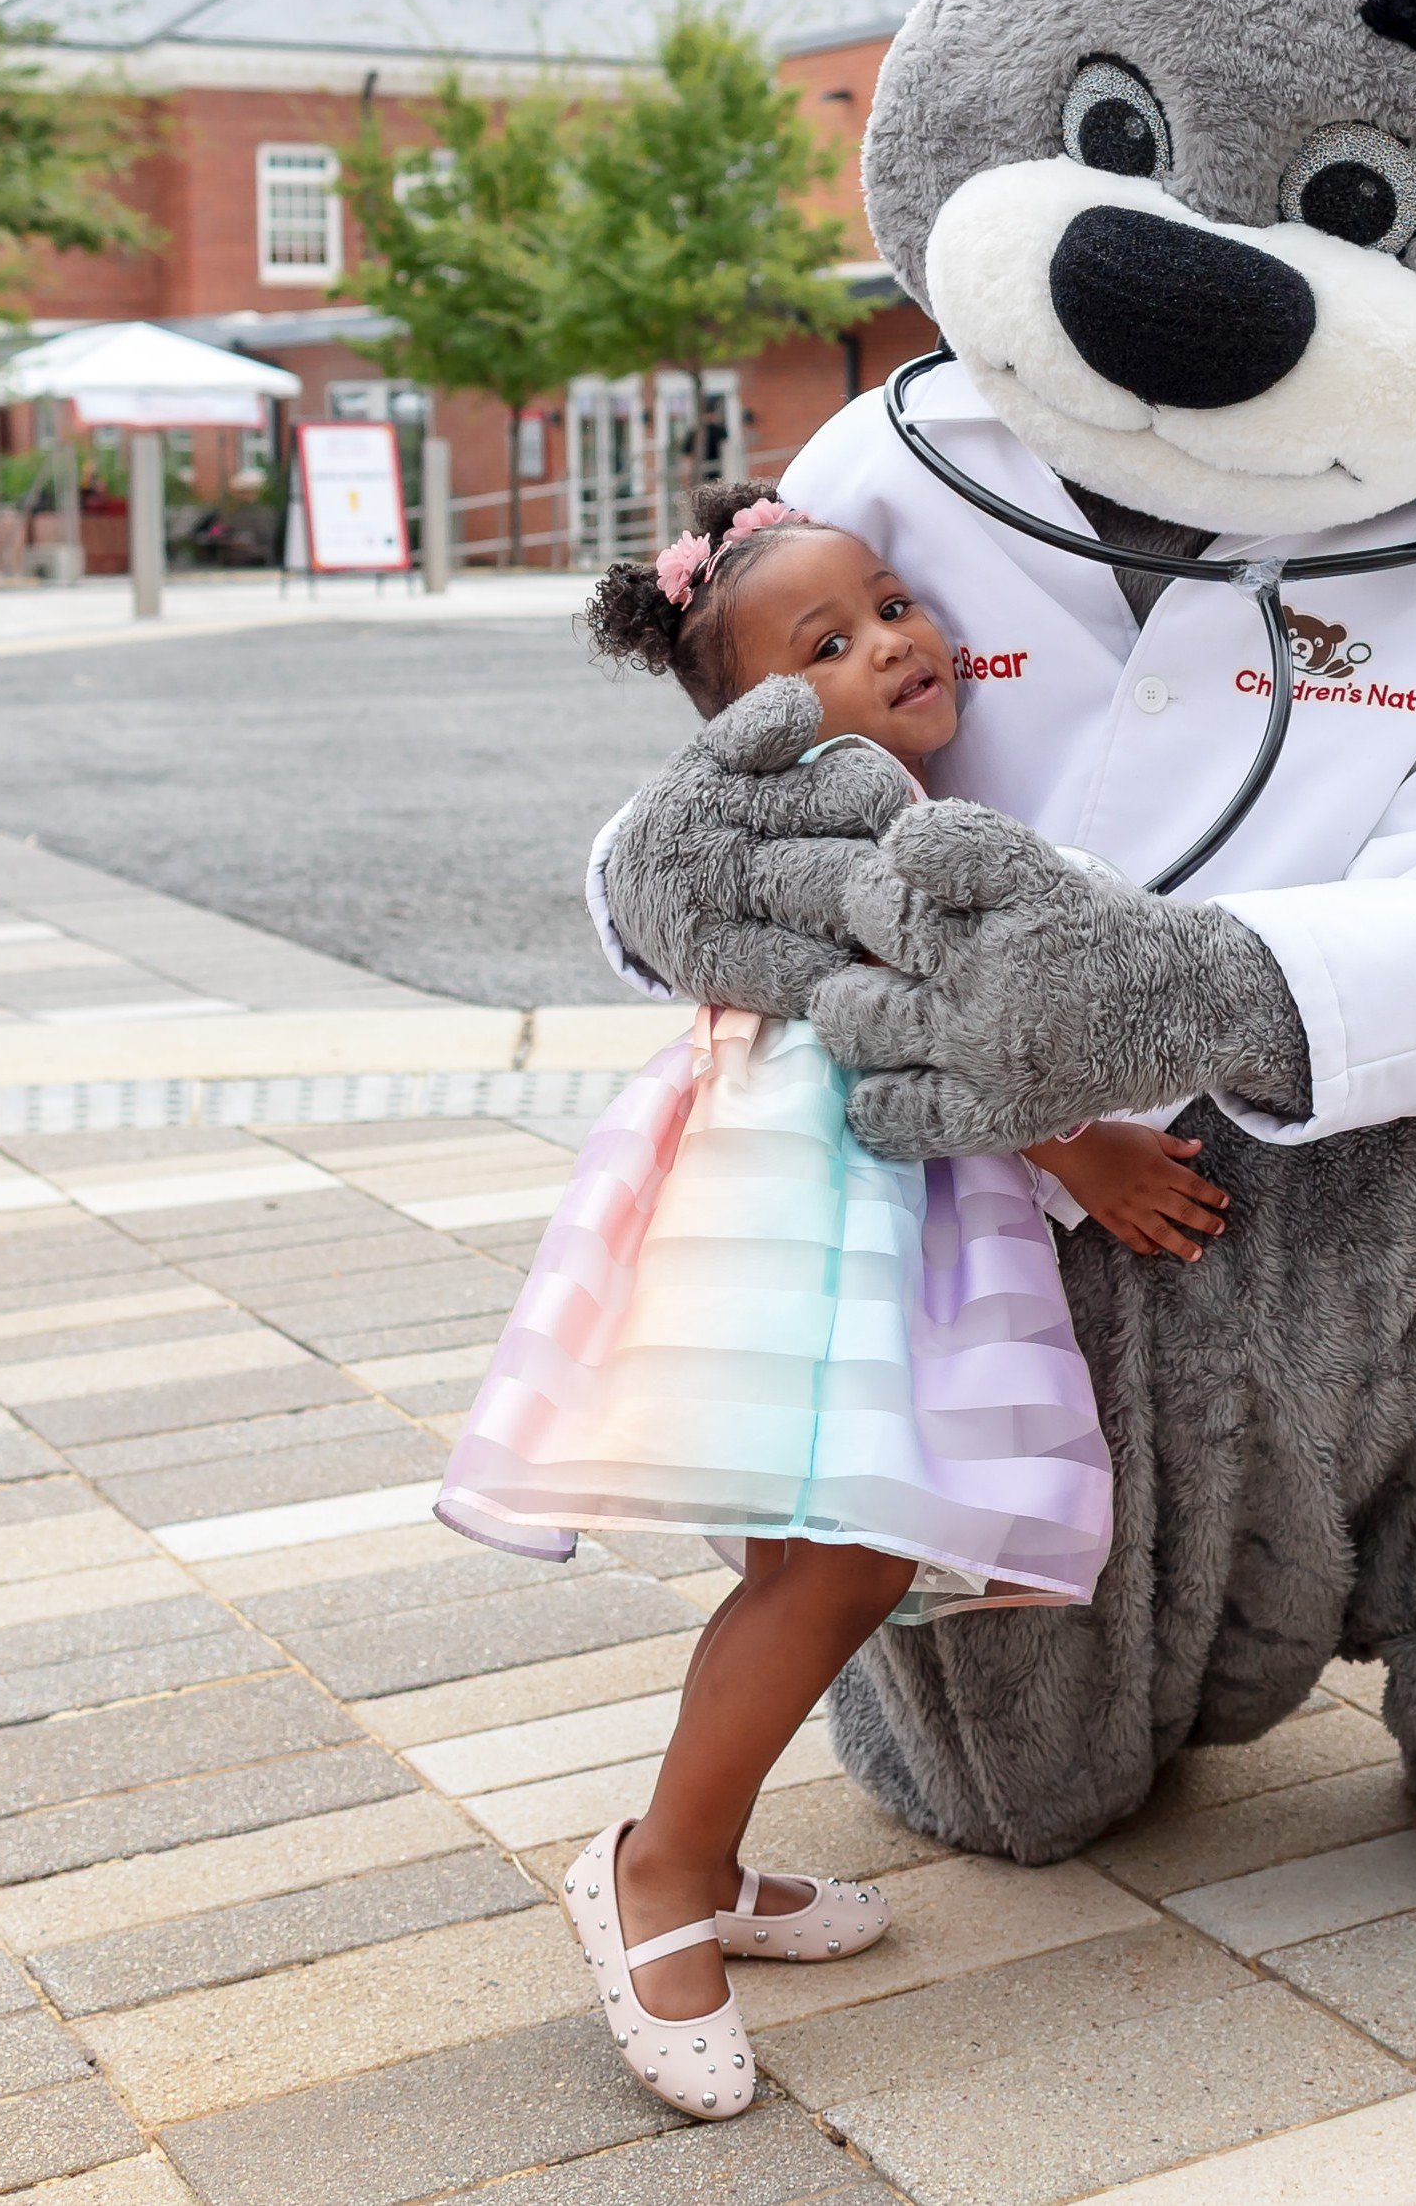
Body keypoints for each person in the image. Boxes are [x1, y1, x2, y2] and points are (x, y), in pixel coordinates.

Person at [440, 482, 1191, 2121]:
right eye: (829, 644)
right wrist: (1089, 1153)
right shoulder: (822, 824)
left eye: (894, 604)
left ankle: (688, 1861)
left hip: (843, 1188)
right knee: (837, 1555)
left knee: (822, 1556)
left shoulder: (874, 808)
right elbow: (908, 1015)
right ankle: (659, 1870)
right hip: (808, 1184)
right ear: (758, 724)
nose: (894, 642)